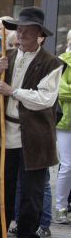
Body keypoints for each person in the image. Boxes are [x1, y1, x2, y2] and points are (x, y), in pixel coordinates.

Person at [0, 7, 63, 238]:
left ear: (39, 35)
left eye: (27, 31)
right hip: (5, 132)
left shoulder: (52, 63)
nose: (21, 34)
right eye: (19, 30)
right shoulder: (5, 56)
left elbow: (45, 99)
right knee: (0, 185)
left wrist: (13, 91)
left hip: (35, 136)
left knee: (31, 191)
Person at [55, 30, 71, 224]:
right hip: (65, 121)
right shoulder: (62, 61)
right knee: (67, 164)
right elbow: (61, 91)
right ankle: (61, 207)